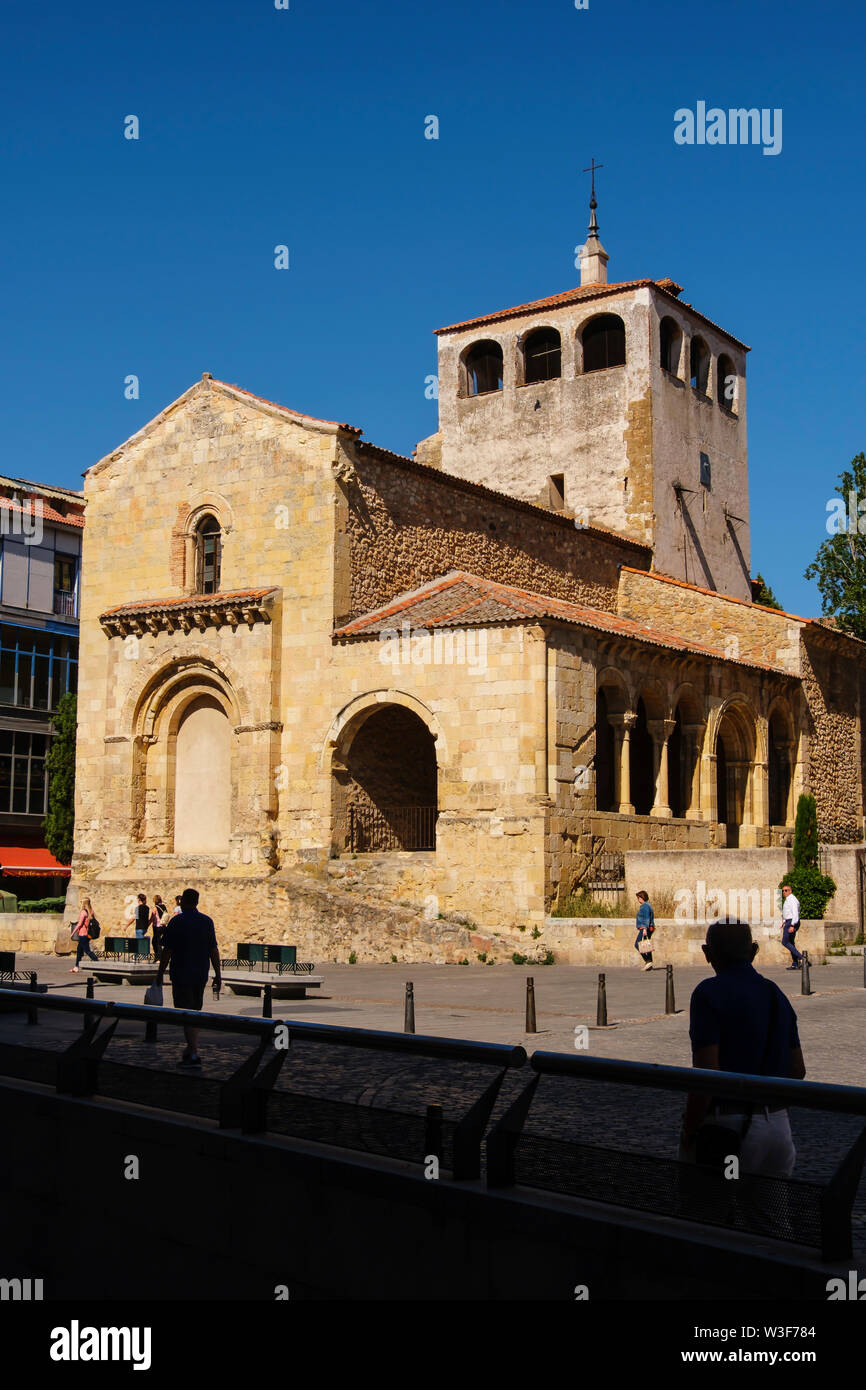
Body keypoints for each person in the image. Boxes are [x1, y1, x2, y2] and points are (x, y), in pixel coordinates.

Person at [680, 918, 805, 1178]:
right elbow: (797, 1070)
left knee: (710, 1211)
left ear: (707, 953)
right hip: (778, 1129)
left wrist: (689, 1130)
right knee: (770, 1216)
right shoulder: (775, 995)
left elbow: (708, 1076)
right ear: (754, 951)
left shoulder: (708, 994)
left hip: (728, 1129)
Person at [155, 888, 222, 1068]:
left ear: (183, 901)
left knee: (186, 1012)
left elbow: (167, 951)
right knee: (194, 1010)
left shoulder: (177, 922)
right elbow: (213, 950)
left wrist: (160, 973)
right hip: (200, 972)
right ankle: (191, 1049)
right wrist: (218, 974)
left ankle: (193, 1052)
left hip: (181, 971)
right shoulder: (207, 921)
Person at [70, 898, 98, 972]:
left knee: (87, 950)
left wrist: (72, 933)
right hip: (88, 934)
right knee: (79, 950)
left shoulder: (83, 912)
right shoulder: (91, 912)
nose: (80, 903)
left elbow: (79, 924)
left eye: (81, 902)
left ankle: (97, 962)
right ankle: (76, 966)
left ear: (84, 903)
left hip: (82, 934)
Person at [780, 884, 803, 969]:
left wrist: (792, 925)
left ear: (790, 891)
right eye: (783, 890)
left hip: (791, 922)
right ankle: (795, 963)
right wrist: (783, 921)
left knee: (785, 942)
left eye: (786, 890)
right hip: (788, 921)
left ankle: (802, 958)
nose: (784, 892)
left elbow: (795, 913)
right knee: (791, 943)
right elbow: (787, 912)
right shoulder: (788, 899)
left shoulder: (792, 899)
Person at [634, 890, 655, 971]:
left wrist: (644, 928)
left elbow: (646, 918)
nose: (638, 899)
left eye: (638, 898)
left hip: (645, 928)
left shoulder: (645, 906)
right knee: (647, 946)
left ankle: (648, 961)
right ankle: (649, 964)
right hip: (648, 928)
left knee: (637, 944)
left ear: (642, 898)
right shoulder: (647, 905)